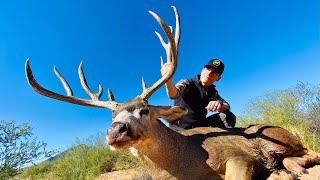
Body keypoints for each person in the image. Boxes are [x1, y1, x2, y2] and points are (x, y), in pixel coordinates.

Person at [161, 59, 236, 131]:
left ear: (218, 78)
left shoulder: (213, 92)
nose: (209, 73)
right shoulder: (188, 83)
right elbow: (173, 94)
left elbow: (227, 106)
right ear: (203, 70)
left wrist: (219, 104)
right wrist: (168, 81)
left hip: (200, 127)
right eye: (208, 69)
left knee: (229, 116)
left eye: (214, 73)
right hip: (180, 128)